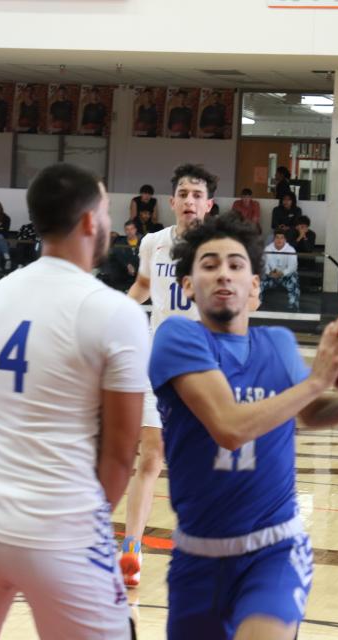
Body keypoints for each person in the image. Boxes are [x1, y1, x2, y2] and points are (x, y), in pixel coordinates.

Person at [0, 163, 150, 639]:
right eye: (108, 211)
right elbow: (119, 454)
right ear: (91, 221)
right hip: (63, 525)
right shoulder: (115, 311)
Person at [150, 214, 338, 640]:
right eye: (209, 265)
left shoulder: (279, 344)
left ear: (255, 286)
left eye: (236, 265)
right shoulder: (177, 337)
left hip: (274, 548)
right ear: (188, 285)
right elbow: (229, 428)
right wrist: (315, 382)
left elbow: (312, 412)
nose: (223, 275)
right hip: (197, 556)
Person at [122, 163, 217, 587]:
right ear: (173, 201)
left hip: (202, 365)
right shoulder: (153, 243)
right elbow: (143, 287)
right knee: (151, 455)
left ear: (209, 205)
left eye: (198, 194)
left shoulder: (220, 249)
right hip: (156, 359)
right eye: (184, 193)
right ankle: (131, 549)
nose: (190, 201)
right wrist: (119, 312)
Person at [259, 230, 300, 313]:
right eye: (277, 237)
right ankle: (257, 304)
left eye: (282, 238)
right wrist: (269, 272)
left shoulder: (291, 250)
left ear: (285, 240)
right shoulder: (267, 249)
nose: (279, 240)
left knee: (294, 278)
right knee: (258, 281)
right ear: (274, 239)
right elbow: (264, 264)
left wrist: (282, 273)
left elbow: (293, 266)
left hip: (285, 276)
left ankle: (293, 306)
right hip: (271, 276)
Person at [103, 221, 141, 292]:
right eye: (127, 229)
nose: (129, 231)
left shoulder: (143, 241)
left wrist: (134, 266)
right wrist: (127, 265)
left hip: (139, 270)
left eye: (132, 229)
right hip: (125, 271)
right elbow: (118, 256)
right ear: (125, 231)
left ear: (135, 229)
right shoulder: (120, 242)